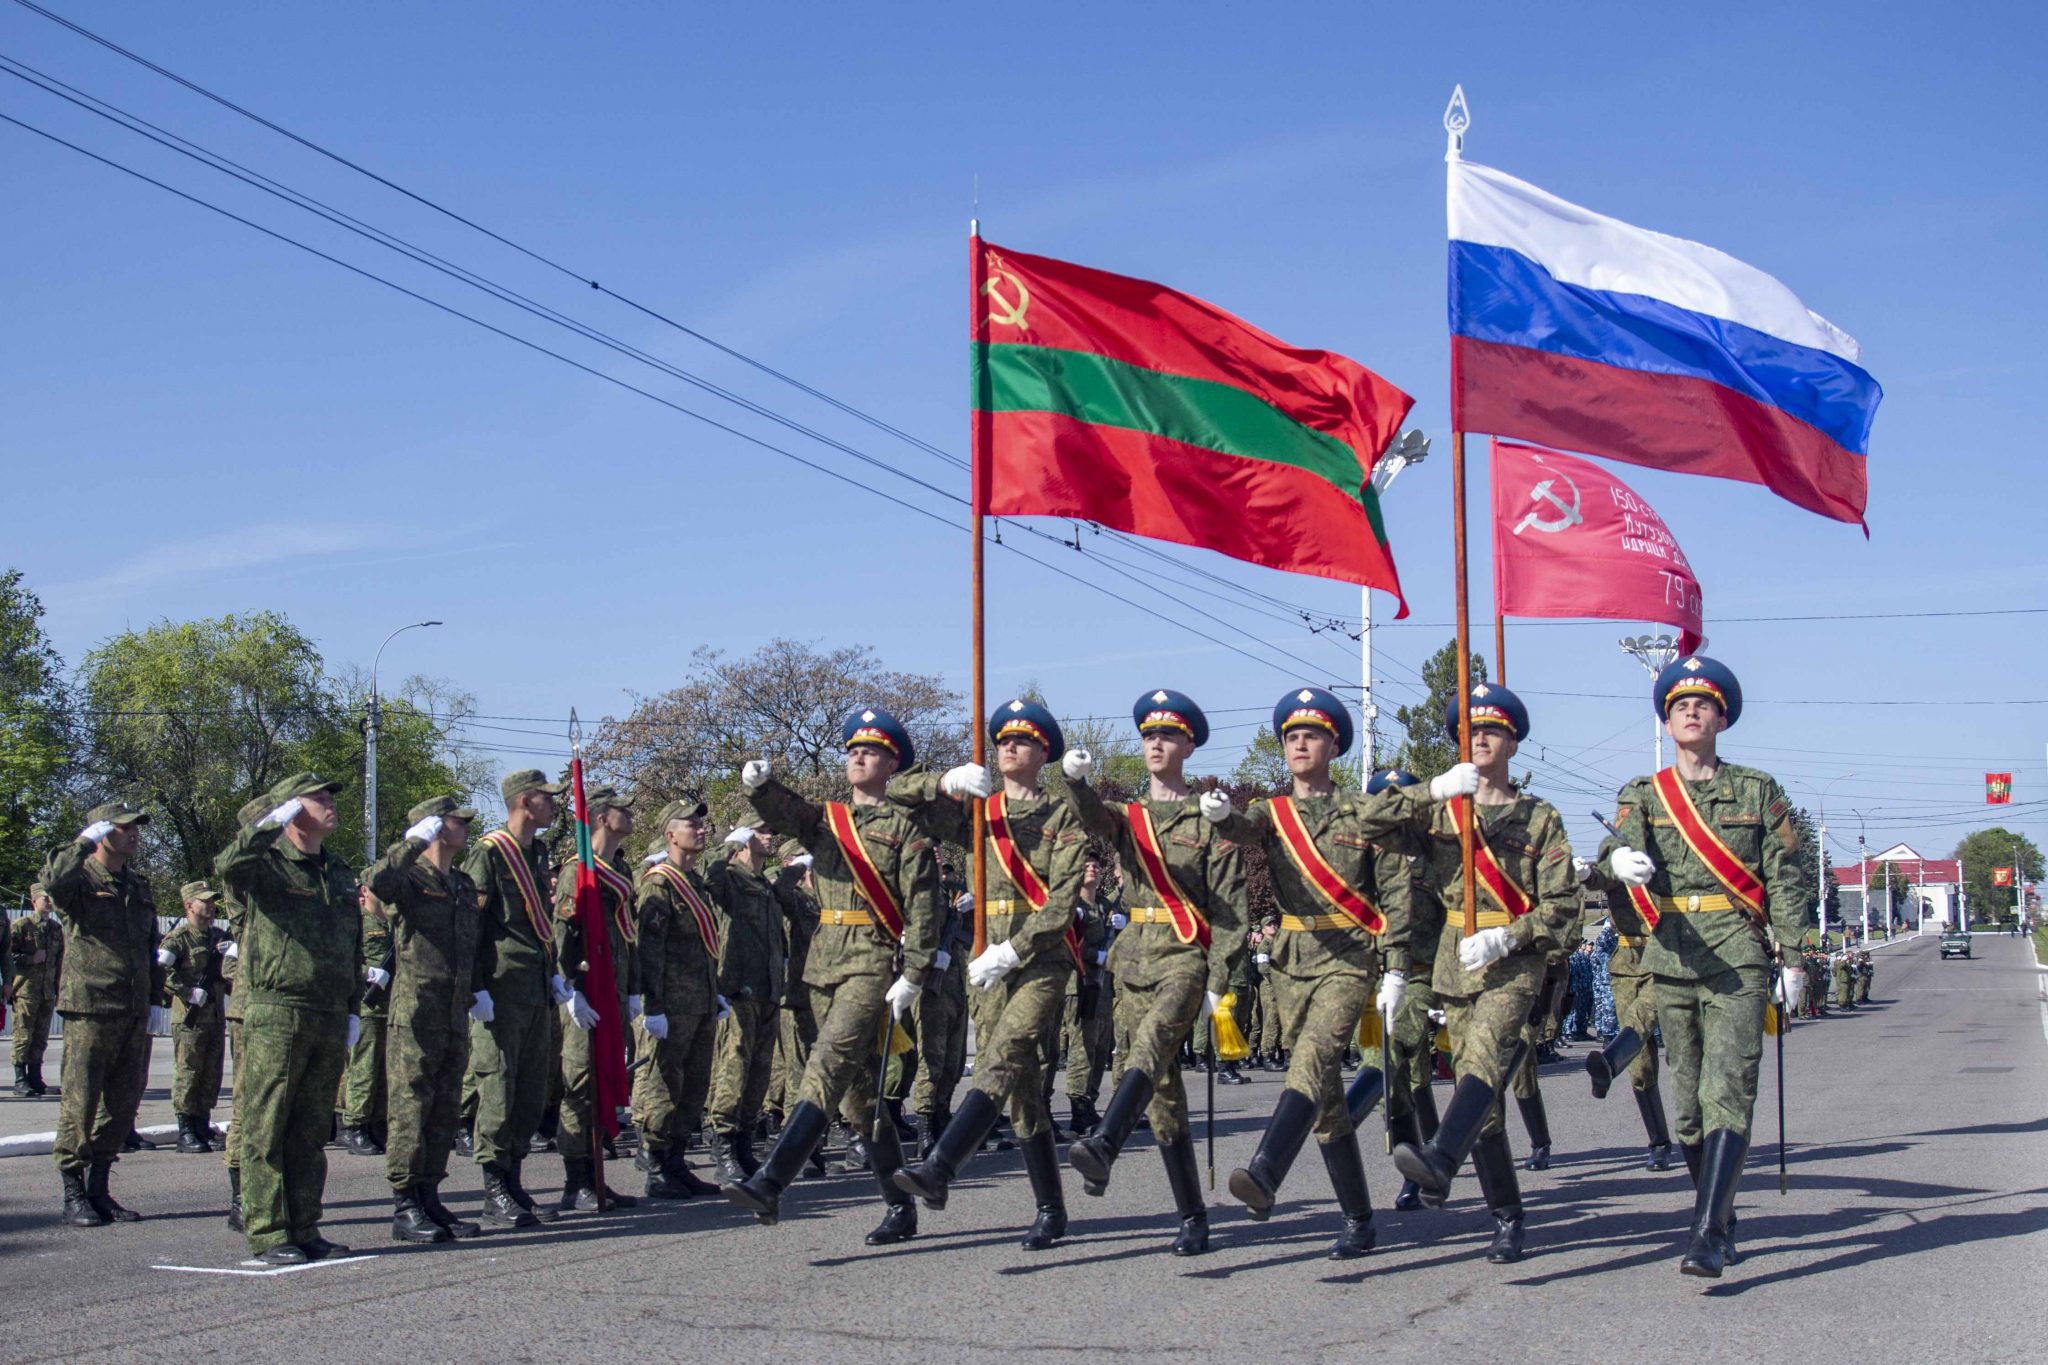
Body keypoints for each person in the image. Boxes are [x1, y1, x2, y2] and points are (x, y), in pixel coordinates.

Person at [1208, 687, 1462, 1259]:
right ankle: (1358, 1218)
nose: (1301, 743)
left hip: (1348, 959)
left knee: (1314, 1057)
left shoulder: (1359, 810)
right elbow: (1245, 832)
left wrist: (1396, 965)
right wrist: (1223, 816)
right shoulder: (1271, 814)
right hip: (1291, 961)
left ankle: (1267, 1167)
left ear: (1333, 745)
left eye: (1312, 735)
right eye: (1292, 737)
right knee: (1324, 1099)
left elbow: (1397, 891)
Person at [1590, 655, 1813, 1278]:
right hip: (1671, 954)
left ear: (1721, 718)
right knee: (1686, 1108)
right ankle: (1718, 1211)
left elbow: (1787, 879)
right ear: (1667, 720)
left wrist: (1794, 960)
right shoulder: (1644, 792)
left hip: (1737, 958)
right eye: (1680, 705)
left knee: (1728, 1091)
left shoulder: (1757, 790)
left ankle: (1708, 1231)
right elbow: (1614, 847)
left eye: (1703, 704)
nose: (1691, 711)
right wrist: (1620, 860)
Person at [724, 706, 943, 1245]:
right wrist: (760, 788)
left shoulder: (906, 827)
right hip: (821, 963)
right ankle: (900, 1207)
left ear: (893, 763)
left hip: (871, 960)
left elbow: (924, 907)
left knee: (826, 1064)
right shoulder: (828, 821)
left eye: (870, 751)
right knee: (859, 1098)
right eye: (852, 750)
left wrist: (913, 971)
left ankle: (772, 1180)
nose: (858, 756)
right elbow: (789, 812)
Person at [887, 698, 1088, 1250]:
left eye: (1021, 741)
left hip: (1039, 960)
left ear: (1044, 752)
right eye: (1001, 740)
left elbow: (1062, 903)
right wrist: (945, 781)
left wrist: (1015, 949)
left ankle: (942, 1165)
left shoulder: (1064, 816)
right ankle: (1051, 1208)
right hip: (987, 964)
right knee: (1022, 1092)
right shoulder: (981, 812)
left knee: (1001, 1056)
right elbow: (895, 796)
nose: (1008, 748)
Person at [1390, 684, 1576, 1265]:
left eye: (1493, 730)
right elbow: (1373, 825)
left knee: (1487, 1057)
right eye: (1471, 732)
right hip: (1455, 960)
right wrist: (1431, 791)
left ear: (1514, 741)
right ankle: (1508, 1217)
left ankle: (1442, 1157)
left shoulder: (1539, 818)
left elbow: (1564, 907)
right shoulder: (1442, 813)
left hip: (1513, 961)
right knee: (1484, 1100)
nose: (1482, 739)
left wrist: (1510, 935)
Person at [1058, 689, 1248, 1256]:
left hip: (1185, 957)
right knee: (1159, 1092)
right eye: (1148, 736)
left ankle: (1106, 1141)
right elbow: (1090, 815)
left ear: (1189, 744)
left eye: (1167, 736)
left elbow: (1232, 909)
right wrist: (1074, 780)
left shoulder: (1211, 817)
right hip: (1133, 955)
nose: (1156, 744)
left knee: (1155, 1044)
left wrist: (1219, 985)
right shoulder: (1129, 818)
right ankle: (1193, 1215)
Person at [214, 773, 364, 1264]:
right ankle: (269, 1231)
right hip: (277, 1008)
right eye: (318, 797)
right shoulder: (268, 865)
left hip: (326, 1008)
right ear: (289, 809)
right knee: (267, 1125)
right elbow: (228, 865)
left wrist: (353, 1005)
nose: (329, 804)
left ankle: (304, 1225)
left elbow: (352, 942)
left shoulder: (338, 871)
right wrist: (267, 824)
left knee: (309, 1130)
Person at [366, 794, 489, 1245]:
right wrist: (410, 845)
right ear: (434, 828)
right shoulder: (410, 877)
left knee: (443, 1109)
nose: (466, 827)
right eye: (457, 821)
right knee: (411, 1107)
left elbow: (468, 944)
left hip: (453, 1009)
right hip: (416, 1010)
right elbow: (376, 882)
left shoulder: (459, 882)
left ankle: (430, 1195)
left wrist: (477, 990)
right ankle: (405, 1204)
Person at [43, 801, 165, 1227]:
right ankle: (73, 1191)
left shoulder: (138, 884)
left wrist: (154, 997)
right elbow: (53, 879)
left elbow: (151, 944)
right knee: (81, 1101)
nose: (135, 833)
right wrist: (81, 843)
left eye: (137, 827)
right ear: (101, 832)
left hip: (132, 1008)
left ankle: (99, 1188)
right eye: (125, 827)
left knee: (122, 1103)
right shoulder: (79, 879)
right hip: (91, 1006)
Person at [462, 768, 568, 1229]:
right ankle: (494, 1187)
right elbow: (473, 929)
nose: (554, 804)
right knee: (499, 1089)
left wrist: (555, 975)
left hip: (534, 987)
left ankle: (515, 1176)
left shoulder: (536, 852)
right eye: (547, 798)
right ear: (526, 801)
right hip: (501, 989)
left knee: (529, 1092)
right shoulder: (489, 855)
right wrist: (476, 984)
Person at [550, 784, 641, 1212]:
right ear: (602, 818)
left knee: (604, 1077)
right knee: (581, 1084)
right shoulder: (578, 871)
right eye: (623, 810)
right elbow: (564, 933)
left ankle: (597, 1173)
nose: (631, 815)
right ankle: (577, 1179)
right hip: (586, 993)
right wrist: (569, 990)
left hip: (614, 991)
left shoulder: (619, 870)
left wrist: (634, 991)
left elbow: (627, 937)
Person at [632, 799, 727, 1200]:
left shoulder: (696, 883)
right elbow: (648, 950)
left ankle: (677, 1161)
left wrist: (714, 991)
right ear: (670, 834)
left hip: (700, 1002)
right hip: (670, 1006)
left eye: (703, 824)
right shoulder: (659, 883)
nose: (701, 829)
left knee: (692, 1087)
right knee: (662, 1084)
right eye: (692, 824)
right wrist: (652, 1007)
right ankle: (656, 1167)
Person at [704, 821, 787, 1185]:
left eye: (772, 831)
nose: (770, 836)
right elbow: (709, 876)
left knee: (759, 1073)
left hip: (767, 990)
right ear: (745, 836)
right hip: (739, 989)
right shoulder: (732, 878)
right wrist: (729, 843)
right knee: (734, 1068)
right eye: (761, 831)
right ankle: (723, 1146)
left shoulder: (763, 884)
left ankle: (743, 1146)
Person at [1575, 875, 1675, 1172]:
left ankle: (1608, 1062)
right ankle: (1658, 1142)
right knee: (1641, 1066)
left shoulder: (1669, 850)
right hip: (1627, 964)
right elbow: (1600, 876)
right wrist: (1585, 873)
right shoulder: (1619, 856)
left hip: (1670, 958)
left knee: (1682, 1052)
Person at [159, 881, 230, 1154]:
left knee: (211, 1073)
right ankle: (185, 1129)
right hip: (189, 1018)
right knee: (188, 1072)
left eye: (212, 902)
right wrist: (187, 993)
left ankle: (202, 1123)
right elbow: (162, 970)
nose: (211, 907)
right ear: (189, 905)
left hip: (214, 1017)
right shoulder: (178, 939)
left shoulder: (218, 937)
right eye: (205, 902)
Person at [338, 885, 395, 1156]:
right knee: (364, 1068)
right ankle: (354, 1125)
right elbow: (342, 957)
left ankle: (376, 1122)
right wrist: (366, 972)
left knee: (384, 1069)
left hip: (389, 1006)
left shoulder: (393, 922)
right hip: (367, 1004)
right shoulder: (356, 920)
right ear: (365, 890)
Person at [9, 883, 63, 1097]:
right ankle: (20, 1079)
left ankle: (35, 1077)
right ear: (34, 902)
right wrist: (30, 959)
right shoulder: (22, 925)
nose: (48, 902)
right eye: (44, 899)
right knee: (23, 1036)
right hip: (26, 990)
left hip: (47, 991)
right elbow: (8, 956)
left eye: (50, 899)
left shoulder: (56, 929)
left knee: (41, 1037)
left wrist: (58, 988)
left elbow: (60, 962)